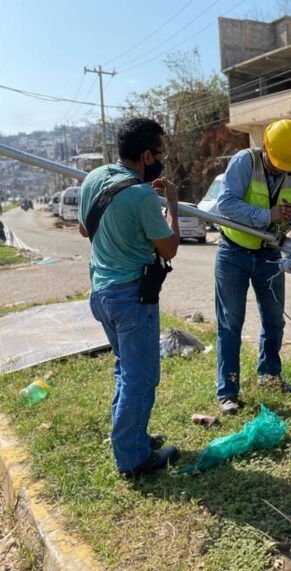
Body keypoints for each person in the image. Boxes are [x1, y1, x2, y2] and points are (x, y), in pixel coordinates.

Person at [77, 118, 180, 478]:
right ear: (147, 154)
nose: (162, 159)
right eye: (160, 153)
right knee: (141, 376)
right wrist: (172, 206)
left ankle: (131, 436)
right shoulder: (140, 196)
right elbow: (169, 247)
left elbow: (83, 228)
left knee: (125, 370)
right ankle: (133, 458)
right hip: (132, 298)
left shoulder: (94, 178)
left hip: (101, 293)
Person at [214, 119, 291, 416]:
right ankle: (228, 392)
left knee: (274, 322)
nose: (280, 169)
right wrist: (266, 214)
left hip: (270, 254)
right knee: (230, 323)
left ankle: (270, 377)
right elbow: (225, 204)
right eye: (276, 163)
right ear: (264, 148)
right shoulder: (243, 162)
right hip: (232, 252)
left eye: (286, 165)